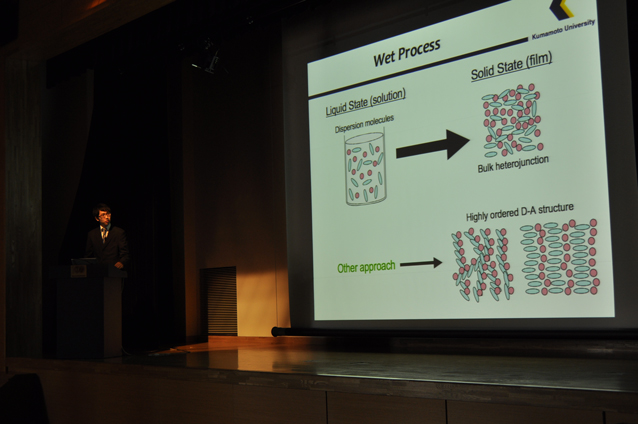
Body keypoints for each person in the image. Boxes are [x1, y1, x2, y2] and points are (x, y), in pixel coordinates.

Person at [85, 203, 129, 269]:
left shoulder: (119, 232)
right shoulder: (92, 234)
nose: (106, 217)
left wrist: (121, 262)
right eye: (103, 215)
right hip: (98, 270)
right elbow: (88, 256)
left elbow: (125, 254)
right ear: (97, 218)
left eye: (108, 214)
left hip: (114, 270)